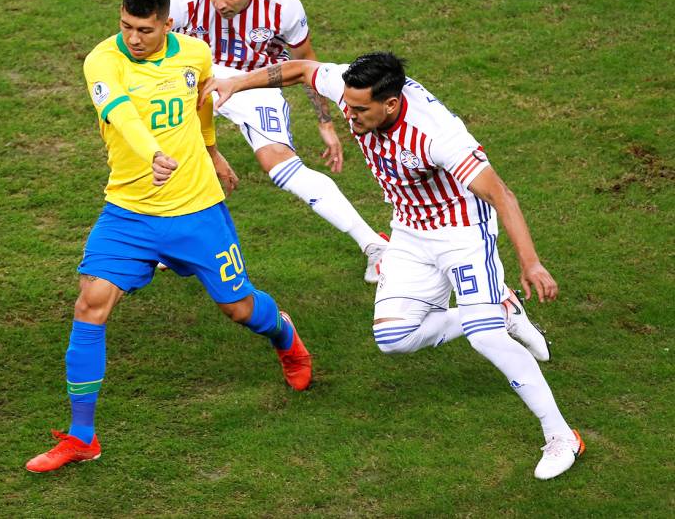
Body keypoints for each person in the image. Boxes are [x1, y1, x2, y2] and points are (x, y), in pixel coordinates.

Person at [203, 53, 584, 480]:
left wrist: (530, 263)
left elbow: (502, 196)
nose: (351, 115)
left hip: (462, 234)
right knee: (393, 337)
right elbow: (302, 69)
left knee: (486, 339)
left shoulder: (437, 135)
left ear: (391, 103)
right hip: (409, 231)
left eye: (361, 109)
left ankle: (560, 435)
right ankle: (502, 310)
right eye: (349, 105)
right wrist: (238, 83)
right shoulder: (355, 91)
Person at [25, 0, 312, 474]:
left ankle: (284, 335)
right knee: (90, 305)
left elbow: (201, 109)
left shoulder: (194, 54)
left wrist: (212, 151)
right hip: (129, 212)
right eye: (125, 26)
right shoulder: (102, 60)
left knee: (240, 308)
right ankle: (81, 437)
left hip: (197, 208)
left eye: (145, 30)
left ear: (167, 23)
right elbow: (120, 115)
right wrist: (154, 153)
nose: (133, 39)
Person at [169, 0, 388, 283]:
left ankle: (374, 245)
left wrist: (324, 120)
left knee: (282, 166)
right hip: (197, 75)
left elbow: (307, 62)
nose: (217, 3)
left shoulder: (282, 4)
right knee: (165, 150)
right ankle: (166, 241)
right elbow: (152, 47)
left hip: (254, 81)